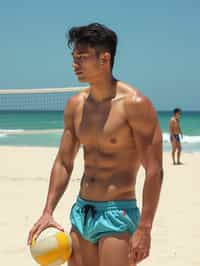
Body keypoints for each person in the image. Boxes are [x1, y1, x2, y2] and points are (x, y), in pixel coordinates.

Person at [28, 23, 163, 266]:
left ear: (105, 59)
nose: (74, 63)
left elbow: (154, 170)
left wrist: (145, 228)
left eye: (82, 57)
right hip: (82, 212)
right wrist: (47, 210)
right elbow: (64, 161)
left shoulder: (135, 105)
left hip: (117, 214)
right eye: (73, 57)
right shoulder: (75, 106)